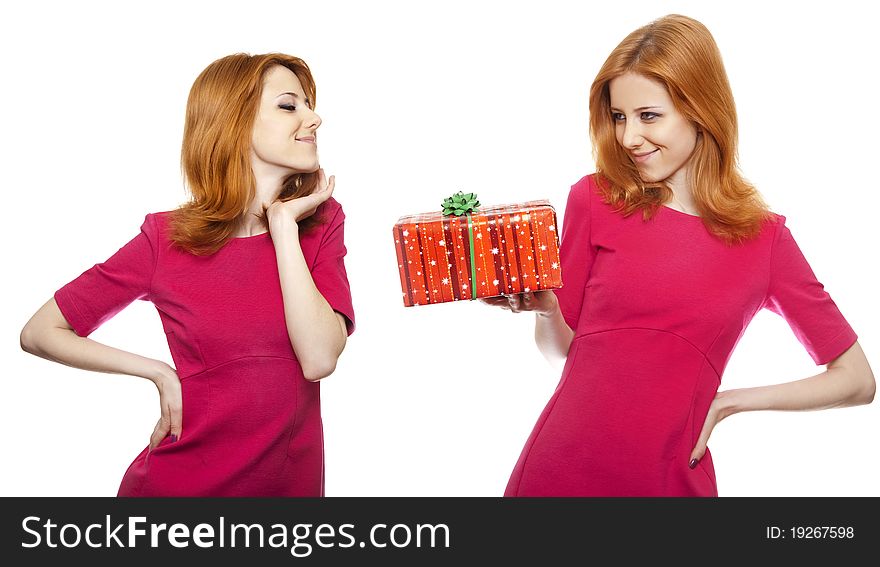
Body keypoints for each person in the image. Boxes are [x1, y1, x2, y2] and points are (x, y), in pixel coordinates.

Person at [481, 14, 874, 496]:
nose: (627, 138)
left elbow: (856, 381)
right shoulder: (593, 200)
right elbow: (568, 355)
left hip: (670, 480)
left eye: (649, 116)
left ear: (701, 110)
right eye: (619, 117)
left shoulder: (764, 240)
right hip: (559, 470)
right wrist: (545, 313)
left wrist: (729, 402)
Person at [19, 53, 355, 496]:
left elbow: (319, 359)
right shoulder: (166, 239)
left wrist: (283, 229)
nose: (315, 118)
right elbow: (41, 331)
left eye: (309, 104)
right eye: (290, 105)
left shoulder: (318, 225)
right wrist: (158, 372)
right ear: (233, 122)